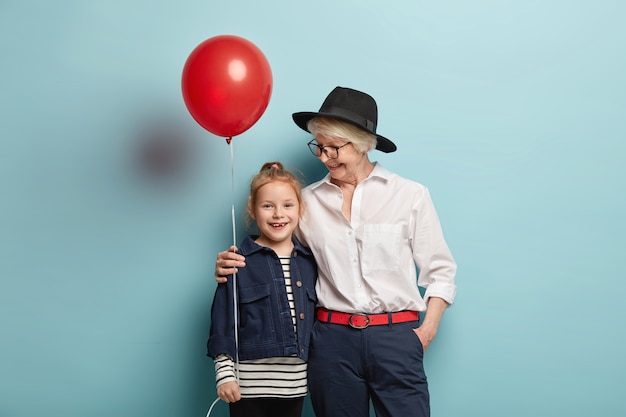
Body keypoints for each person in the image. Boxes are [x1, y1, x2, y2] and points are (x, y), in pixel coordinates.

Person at [215, 87, 457, 417]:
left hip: (396, 338)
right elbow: (275, 248)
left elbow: (441, 271)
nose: (325, 157)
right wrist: (233, 263)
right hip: (330, 342)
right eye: (319, 147)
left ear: (363, 144)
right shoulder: (306, 202)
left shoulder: (410, 195)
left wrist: (425, 333)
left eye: (335, 148)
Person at [207, 162, 318, 417]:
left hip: (294, 386)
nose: (278, 214)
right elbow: (223, 322)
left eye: (288, 205)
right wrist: (225, 375)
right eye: (268, 205)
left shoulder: (310, 261)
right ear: (253, 210)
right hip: (247, 387)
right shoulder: (238, 261)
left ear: (300, 208)